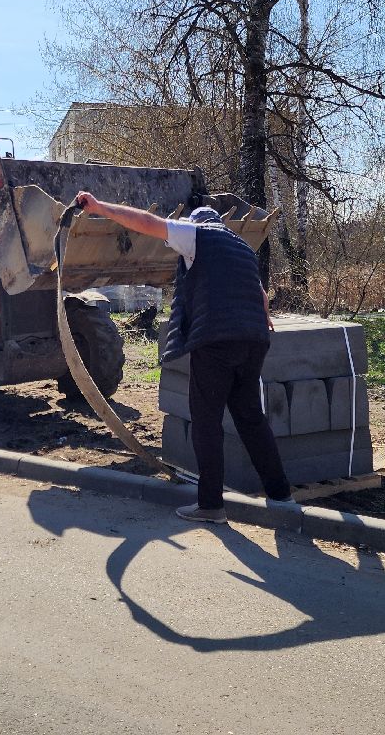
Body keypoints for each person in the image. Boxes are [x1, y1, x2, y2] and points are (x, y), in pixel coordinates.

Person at [73, 191, 292, 523]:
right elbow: (260, 294)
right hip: (254, 341)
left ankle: (211, 506)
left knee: (206, 421)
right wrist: (261, 320)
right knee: (250, 417)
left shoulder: (197, 235)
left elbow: (147, 223)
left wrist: (100, 207)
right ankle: (281, 496)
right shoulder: (242, 249)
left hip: (217, 341)